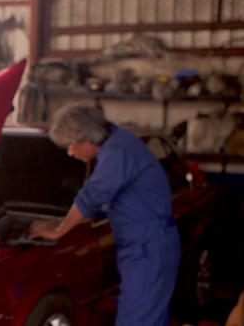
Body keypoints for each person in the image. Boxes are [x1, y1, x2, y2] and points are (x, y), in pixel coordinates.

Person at [29, 103, 181, 326]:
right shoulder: (117, 142)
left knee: (137, 319)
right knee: (146, 315)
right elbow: (97, 204)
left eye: (71, 145)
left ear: (88, 139)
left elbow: (93, 196)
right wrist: (58, 221)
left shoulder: (117, 151)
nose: (70, 152)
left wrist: (59, 231)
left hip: (148, 247)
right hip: (143, 246)